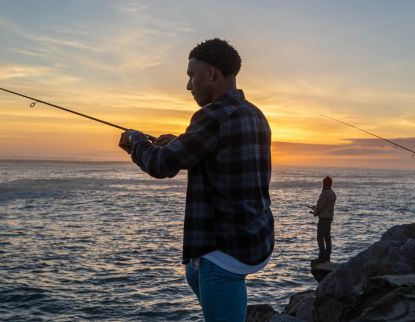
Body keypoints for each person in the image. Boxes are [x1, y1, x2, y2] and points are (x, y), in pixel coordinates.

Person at [118, 38, 274, 321]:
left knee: (207, 278)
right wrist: (180, 141)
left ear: (211, 74)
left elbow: (162, 165)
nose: (189, 86)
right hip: (252, 236)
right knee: (194, 271)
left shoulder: (212, 115)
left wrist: (136, 141)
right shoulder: (255, 114)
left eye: (192, 75)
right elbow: (221, 150)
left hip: (223, 249)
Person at [311, 176, 337, 263]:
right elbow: (326, 206)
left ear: (324, 183)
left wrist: (315, 212)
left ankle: (321, 257)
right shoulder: (333, 194)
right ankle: (327, 257)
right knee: (327, 238)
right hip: (330, 218)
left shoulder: (324, 193)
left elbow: (320, 205)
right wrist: (316, 208)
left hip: (324, 219)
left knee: (320, 237)